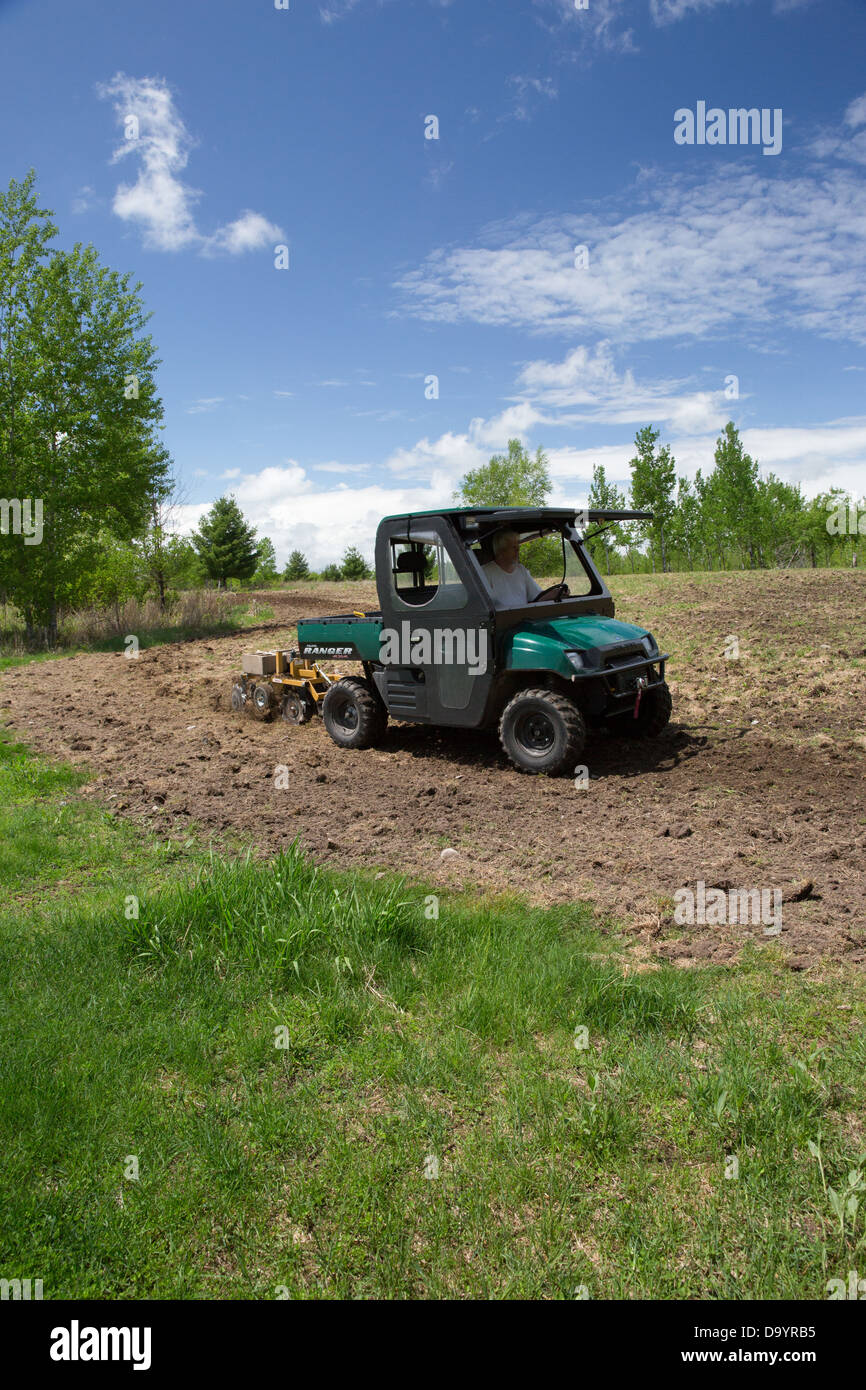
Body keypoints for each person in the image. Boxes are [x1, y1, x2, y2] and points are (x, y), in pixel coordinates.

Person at [481, 529, 543, 608]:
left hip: (524, 617)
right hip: (501, 619)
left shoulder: (521, 570)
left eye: (518, 546)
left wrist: (558, 593)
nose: (518, 550)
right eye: (513, 547)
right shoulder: (485, 572)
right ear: (501, 550)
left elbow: (537, 595)